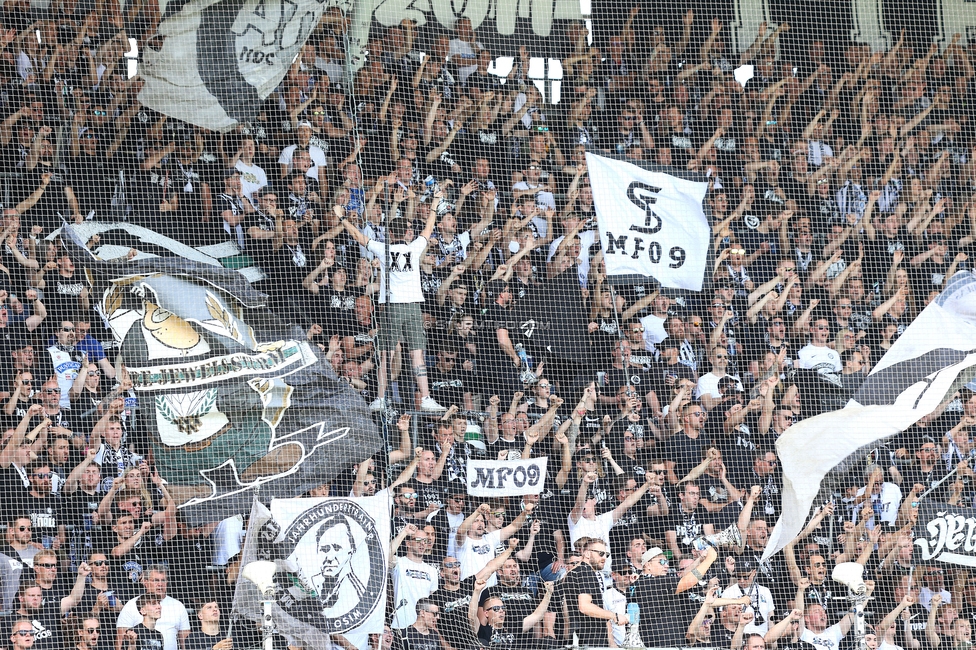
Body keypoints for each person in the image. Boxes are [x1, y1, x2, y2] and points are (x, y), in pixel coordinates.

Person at [338, 198, 446, 412]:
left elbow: (359, 237)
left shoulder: (382, 248)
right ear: (405, 233)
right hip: (413, 308)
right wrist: (434, 206)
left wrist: (342, 217)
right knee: (417, 354)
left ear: (389, 234)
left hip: (392, 308)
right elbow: (428, 227)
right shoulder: (415, 248)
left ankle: (380, 398)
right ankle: (425, 397)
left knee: (386, 354)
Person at [115, 566, 191, 650]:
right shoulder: (132, 605)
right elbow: (120, 642)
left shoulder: (178, 606)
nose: (160, 584)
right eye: (156, 580)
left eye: (163, 580)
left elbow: (186, 642)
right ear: (145, 582)